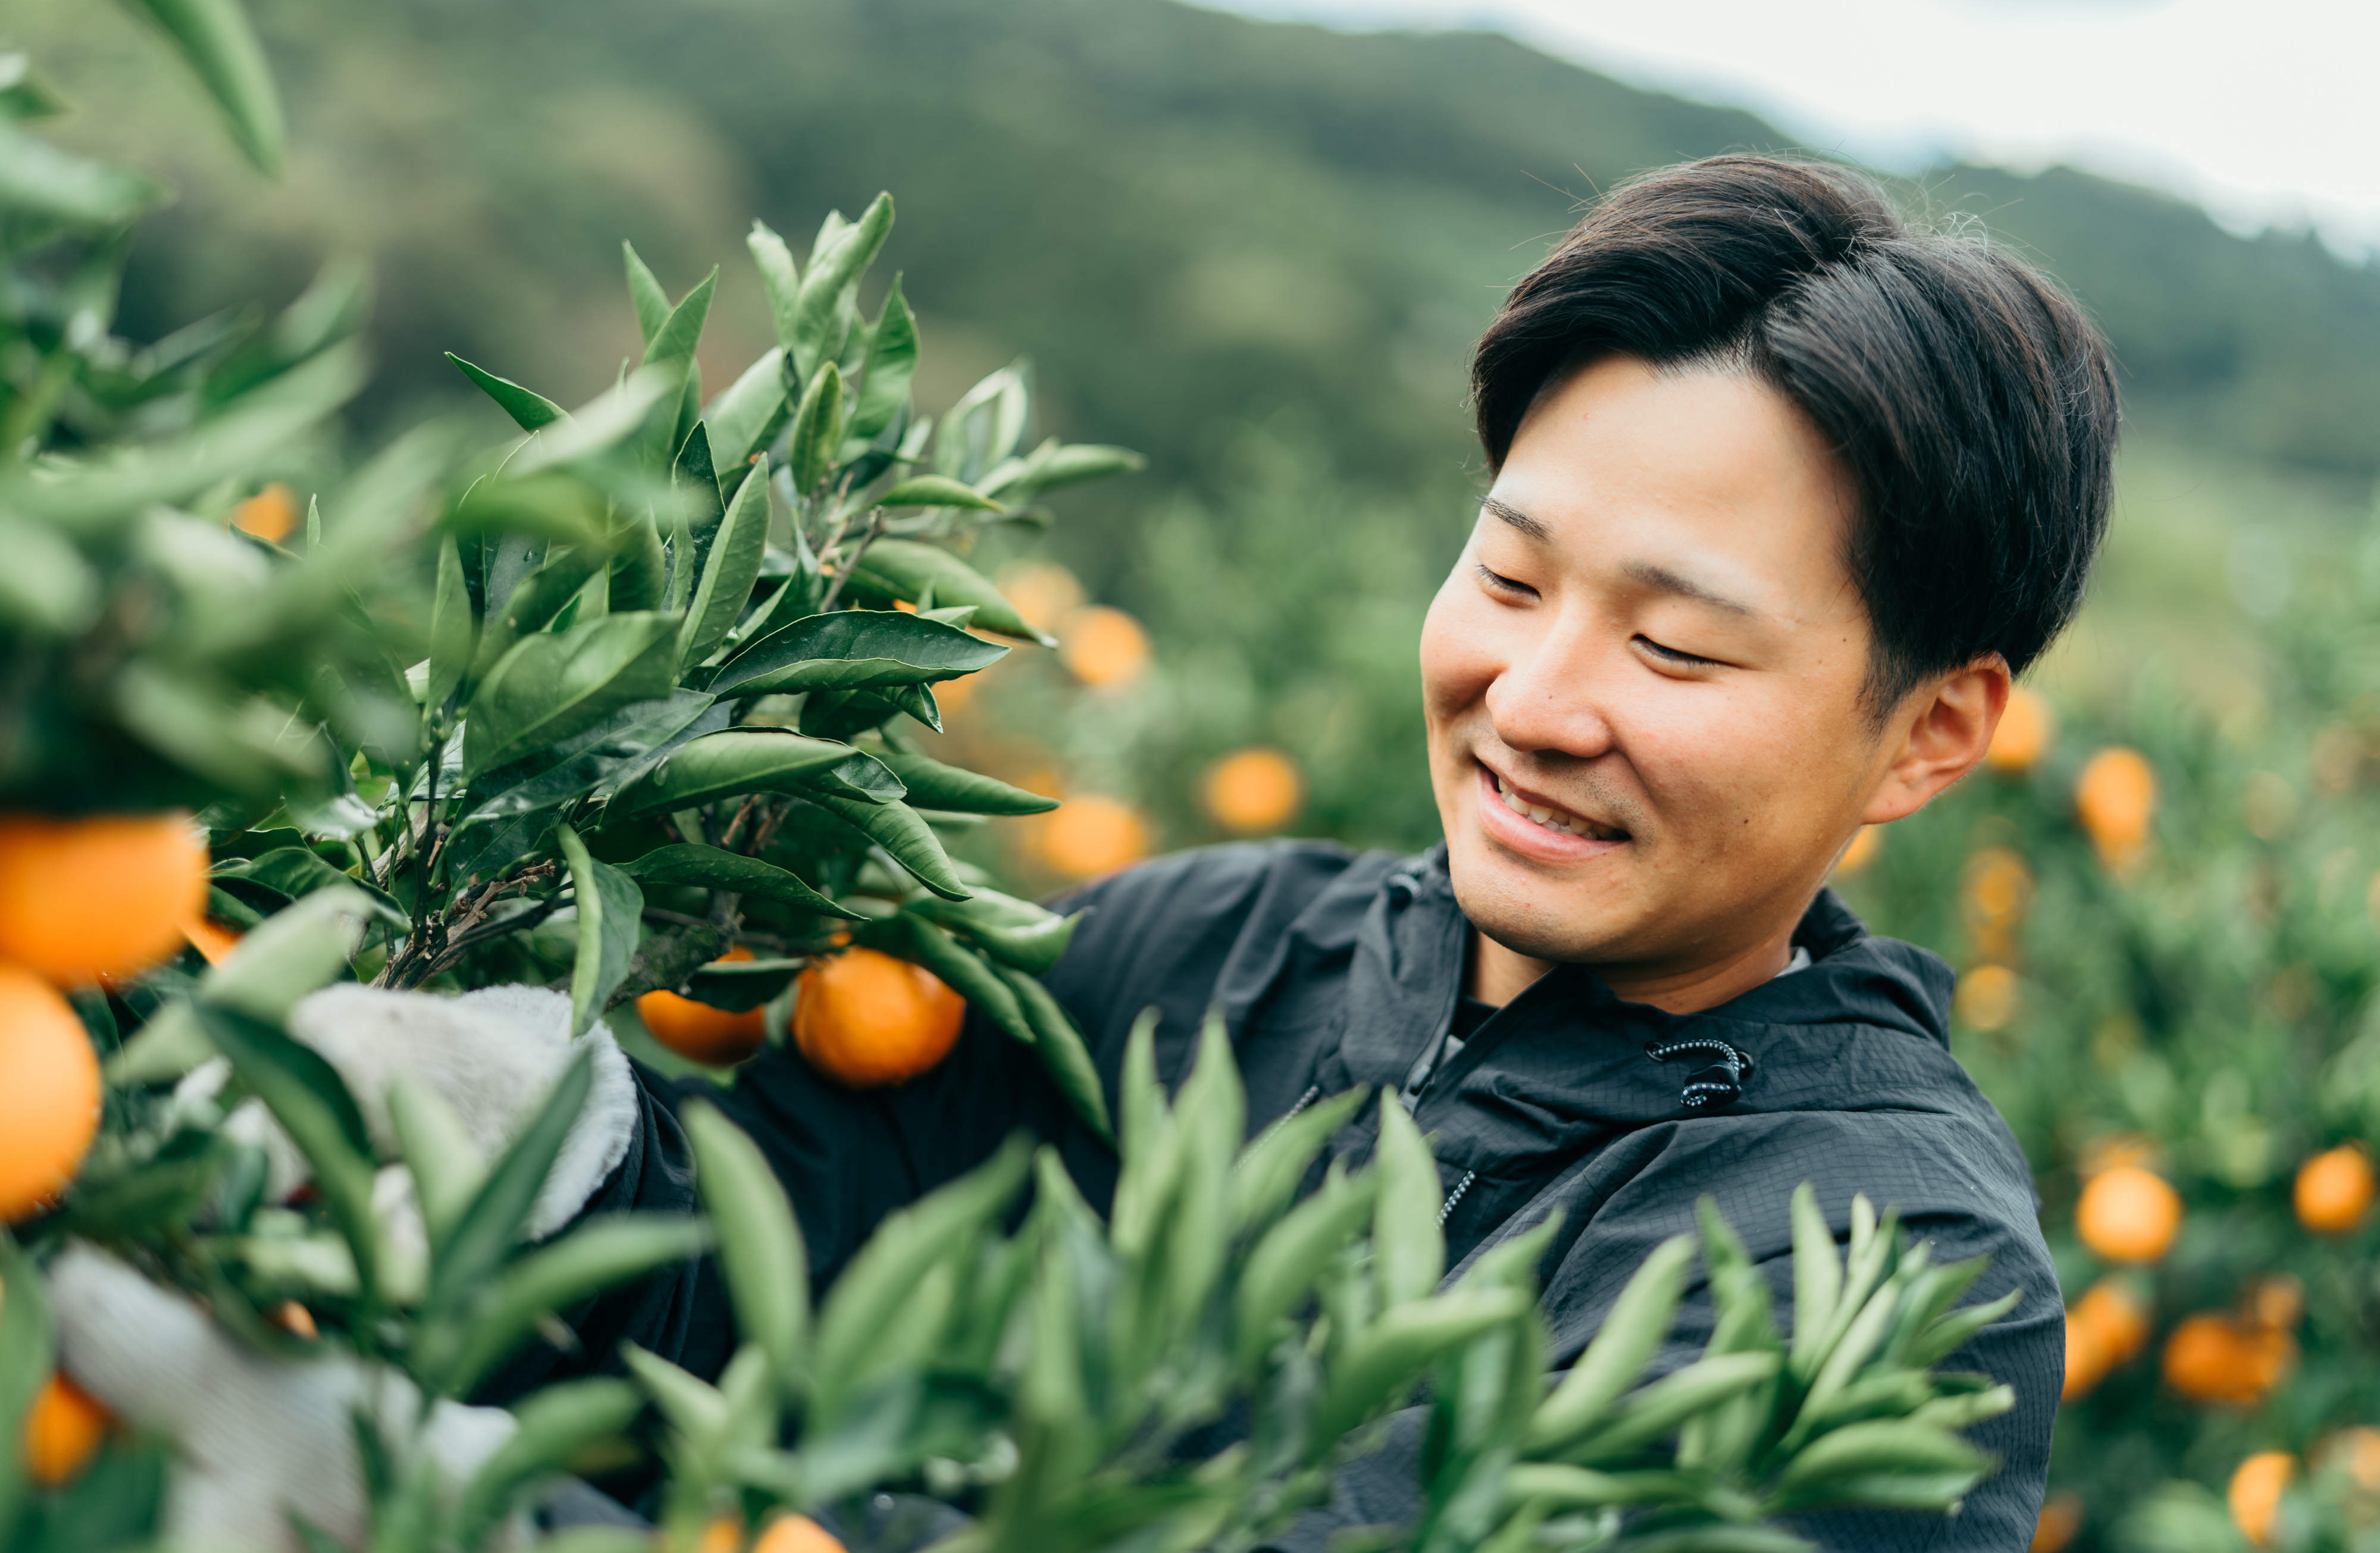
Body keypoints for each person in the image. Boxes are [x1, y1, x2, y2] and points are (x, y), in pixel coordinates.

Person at [56, 154, 2110, 1551]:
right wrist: (529, 1132)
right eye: (1508, 573)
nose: (1538, 695)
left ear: (1931, 730)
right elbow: (773, 1244)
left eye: (1670, 641)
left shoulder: (1871, 1272)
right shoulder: (1230, 948)